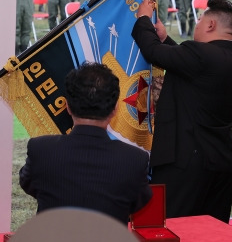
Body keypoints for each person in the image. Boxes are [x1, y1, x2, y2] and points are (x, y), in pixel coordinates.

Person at [131, 0, 232, 223]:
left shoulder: (201, 55)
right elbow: (191, 67)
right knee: (211, 230)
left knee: (172, 226)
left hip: (186, 162)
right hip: (221, 159)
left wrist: (143, 18)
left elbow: (153, 52)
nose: (197, 25)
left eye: (200, 20)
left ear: (211, 25)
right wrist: (165, 39)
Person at [18, 62, 152, 224]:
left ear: (67, 106)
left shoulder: (40, 150)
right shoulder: (134, 159)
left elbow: (30, 184)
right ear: (115, 109)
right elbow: (138, 201)